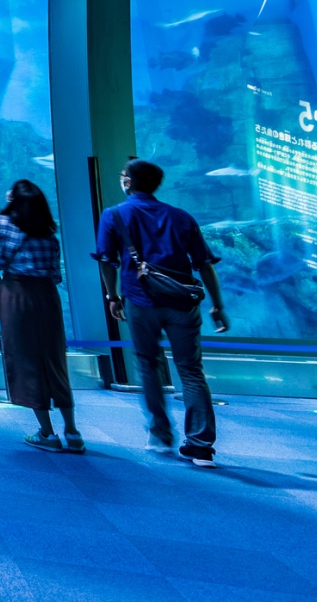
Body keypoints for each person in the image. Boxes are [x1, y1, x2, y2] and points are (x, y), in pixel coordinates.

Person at [96, 158, 230, 467]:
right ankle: (200, 445)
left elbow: (106, 258)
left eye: (122, 175)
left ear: (128, 181)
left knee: (148, 365)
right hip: (183, 303)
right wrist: (217, 304)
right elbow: (203, 263)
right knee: (191, 371)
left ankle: (160, 434)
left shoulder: (114, 214)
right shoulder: (181, 216)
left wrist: (112, 296)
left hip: (141, 301)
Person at [0, 180, 80, 452]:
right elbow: (55, 273)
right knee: (54, 360)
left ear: (13, 200)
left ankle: (48, 433)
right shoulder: (48, 231)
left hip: (17, 294)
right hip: (48, 297)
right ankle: (73, 433)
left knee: (25, 359)